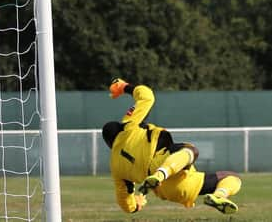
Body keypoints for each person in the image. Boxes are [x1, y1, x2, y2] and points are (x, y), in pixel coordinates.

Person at [102, 78, 241, 214]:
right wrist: (123, 87)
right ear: (119, 129)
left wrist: (136, 205)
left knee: (226, 176)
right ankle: (163, 174)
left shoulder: (115, 167)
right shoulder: (128, 126)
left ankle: (218, 196)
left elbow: (125, 203)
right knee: (192, 151)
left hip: (169, 191)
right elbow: (146, 96)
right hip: (164, 164)